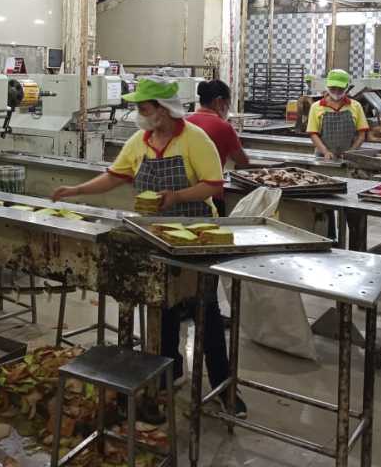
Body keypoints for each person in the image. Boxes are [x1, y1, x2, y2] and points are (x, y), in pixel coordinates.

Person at [52, 77, 247, 418]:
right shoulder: (139, 141)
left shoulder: (194, 139)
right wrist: (77, 191)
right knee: (162, 306)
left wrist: (176, 197)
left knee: (205, 309)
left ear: (163, 109)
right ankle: (168, 372)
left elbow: (214, 186)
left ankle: (223, 385)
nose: (139, 113)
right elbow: (115, 176)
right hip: (155, 233)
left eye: (144, 107)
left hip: (195, 233)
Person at [187, 79, 251, 216]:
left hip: (185, 194)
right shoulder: (223, 127)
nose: (227, 109)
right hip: (211, 197)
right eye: (228, 104)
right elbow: (242, 161)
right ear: (219, 102)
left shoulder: (185, 123)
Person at [306, 69, 369, 159]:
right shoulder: (316, 107)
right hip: (323, 157)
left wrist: (351, 152)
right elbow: (313, 134)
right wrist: (325, 152)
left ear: (347, 87)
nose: (336, 91)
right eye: (333, 88)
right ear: (327, 86)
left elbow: (362, 135)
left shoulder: (356, 106)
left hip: (349, 157)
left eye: (340, 88)